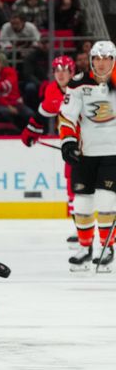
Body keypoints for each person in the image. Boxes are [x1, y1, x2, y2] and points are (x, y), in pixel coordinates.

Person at [59, 40, 116, 271]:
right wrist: (68, 142)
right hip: (85, 154)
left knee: (105, 200)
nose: (102, 64)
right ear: (91, 59)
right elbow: (67, 116)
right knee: (81, 202)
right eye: (97, 59)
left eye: (107, 59)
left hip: (113, 154)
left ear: (113, 60)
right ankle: (84, 249)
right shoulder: (78, 83)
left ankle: (107, 247)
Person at [22, 55, 76, 224]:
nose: (60, 74)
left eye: (65, 70)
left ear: (72, 72)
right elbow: (43, 113)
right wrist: (31, 132)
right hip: (71, 144)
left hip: (92, 142)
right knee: (73, 185)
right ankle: (80, 230)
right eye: (57, 70)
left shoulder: (82, 88)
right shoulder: (52, 90)